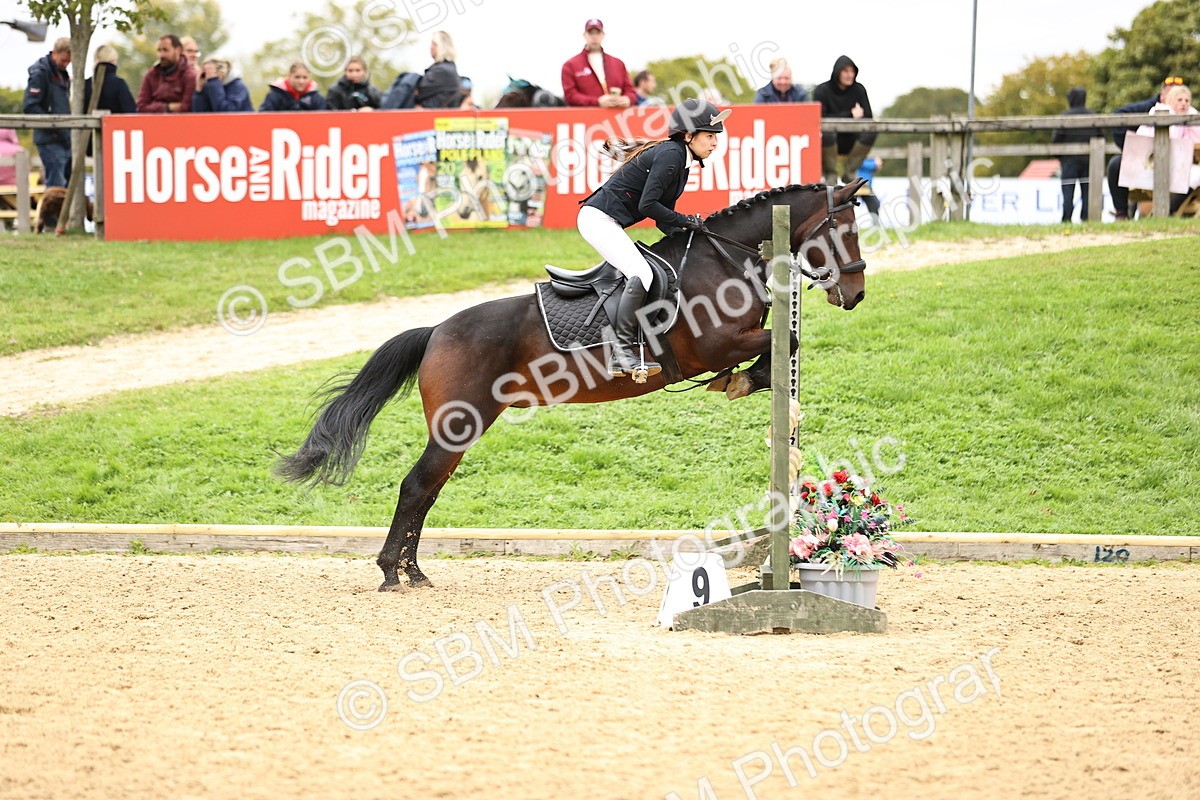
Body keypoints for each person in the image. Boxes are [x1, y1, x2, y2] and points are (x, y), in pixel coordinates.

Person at [578, 98, 730, 378]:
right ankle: (622, 353)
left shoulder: (682, 161)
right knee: (641, 273)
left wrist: (688, 233)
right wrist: (686, 221)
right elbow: (648, 206)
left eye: (715, 137)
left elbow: (662, 216)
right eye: (710, 135)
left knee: (645, 271)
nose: (714, 143)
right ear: (688, 135)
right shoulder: (672, 155)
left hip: (606, 220)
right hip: (598, 220)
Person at [1107, 77, 1180, 220]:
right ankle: (1121, 213)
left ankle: (1169, 211)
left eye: (1181, 97)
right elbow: (1117, 118)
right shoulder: (1149, 109)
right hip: (1147, 160)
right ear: (1162, 96)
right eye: (1173, 95)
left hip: (1178, 162)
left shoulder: (1189, 111)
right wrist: (1130, 147)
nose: (1181, 102)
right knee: (1116, 164)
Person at [813, 55, 876, 185]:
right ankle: (831, 174)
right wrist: (850, 115)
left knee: (871, 131)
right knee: (827, 132)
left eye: (852, 71)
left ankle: (849, 173)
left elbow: (868, 116)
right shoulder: (822, 90)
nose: (850, 75)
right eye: (846, 71)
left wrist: (856, 117)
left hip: (852, 140)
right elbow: (818, 118)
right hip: (828, 141)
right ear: (837, 72)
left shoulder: (859, 89)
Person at [23, 37, 72, 188]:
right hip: (50, 138)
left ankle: (64, 213)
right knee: (56, 187)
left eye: (68, 61)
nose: (65, 64)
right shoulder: (41, 73)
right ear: (55, 53)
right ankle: (53, 213)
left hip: (63, 137)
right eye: (63, 60)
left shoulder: (61, 73)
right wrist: (53, 125)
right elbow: (30, 106)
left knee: (65, 187)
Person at [561, 18, 637, 108]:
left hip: (616, 118)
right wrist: (597, 101)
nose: (594, 36)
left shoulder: (618, 64)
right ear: (585, 35)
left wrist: (627, 99)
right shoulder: (570, 65)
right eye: (591, 33)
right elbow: (570, 95)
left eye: (597, 33)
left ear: (603, 35)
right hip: (586, 118)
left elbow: (631, 91)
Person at [1052, 87, 1097, 222]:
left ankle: (1066, 218)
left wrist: (1060, 156)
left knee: (1067, 191)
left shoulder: (1065, 116)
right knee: (1087, 191)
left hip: (1069, 160)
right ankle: (1086, 218)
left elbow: (1056, 139)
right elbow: (1101, 136)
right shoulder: (1093, 116)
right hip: (1089, 160)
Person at [137, 34, 196, 113]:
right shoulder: (151, 75)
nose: (161, 55)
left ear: (178, 50)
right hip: (152, 124)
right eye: (159, 50)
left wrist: (154, 106)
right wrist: (168, 107)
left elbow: (185, 109)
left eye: (165, 50)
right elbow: (141, 107)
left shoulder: (189, 76)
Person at [83, 45, 137, 115]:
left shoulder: (86, 84)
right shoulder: (118, 83)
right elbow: (130, 111)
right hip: (116, 125)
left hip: (88, 125)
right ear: (113, 61)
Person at [414, 31, 461, 109]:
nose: (430, 47)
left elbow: (417, 91)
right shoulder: (449, 68)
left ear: (441, 46)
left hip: (431, 117)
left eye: (434, 44)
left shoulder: (442, 71)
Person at [259, 62, 328, 111]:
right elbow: (264, 116)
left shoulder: (315, 97)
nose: (301, 81)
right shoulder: (275, 95)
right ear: (289, 76)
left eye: (305, 77)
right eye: (297, 77)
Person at [856, 157, 883, 225]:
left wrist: (875, 164)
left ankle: (876, 224)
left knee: (875, 204)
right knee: (874, 203)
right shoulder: (859, 157)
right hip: (858, 185)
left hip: (865, 187)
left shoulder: (868, 159)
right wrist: (875, 163)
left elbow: (876, 167)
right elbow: (860, 163)